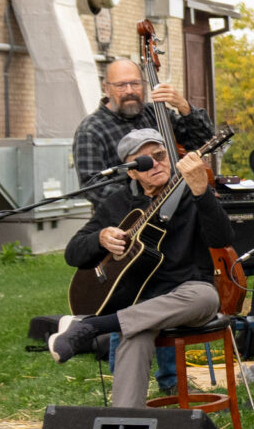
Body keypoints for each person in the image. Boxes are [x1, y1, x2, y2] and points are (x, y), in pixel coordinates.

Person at [48, 128, 232, 406]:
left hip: (187, 294)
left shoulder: (190, 192)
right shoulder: (118, 204)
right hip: (139, 303)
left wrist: (201, 192)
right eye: (144, 162)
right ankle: (126, 427)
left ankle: (91, 326)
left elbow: (223, 239)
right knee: (134, 332)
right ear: (132, 172)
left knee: (206, 297)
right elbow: (73, 253)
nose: (156, 163)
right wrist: (100, 239)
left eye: (160, 156)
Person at [71, 54, 213, 193]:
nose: (129, 91)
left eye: (135, 83)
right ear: (106, 89)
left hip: (180, 209)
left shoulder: (156, 113)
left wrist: (184, 106)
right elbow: (92, 186)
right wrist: (145, 201)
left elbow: (204, 140)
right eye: (120, 85)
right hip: (130, 214)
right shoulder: (91, 130)